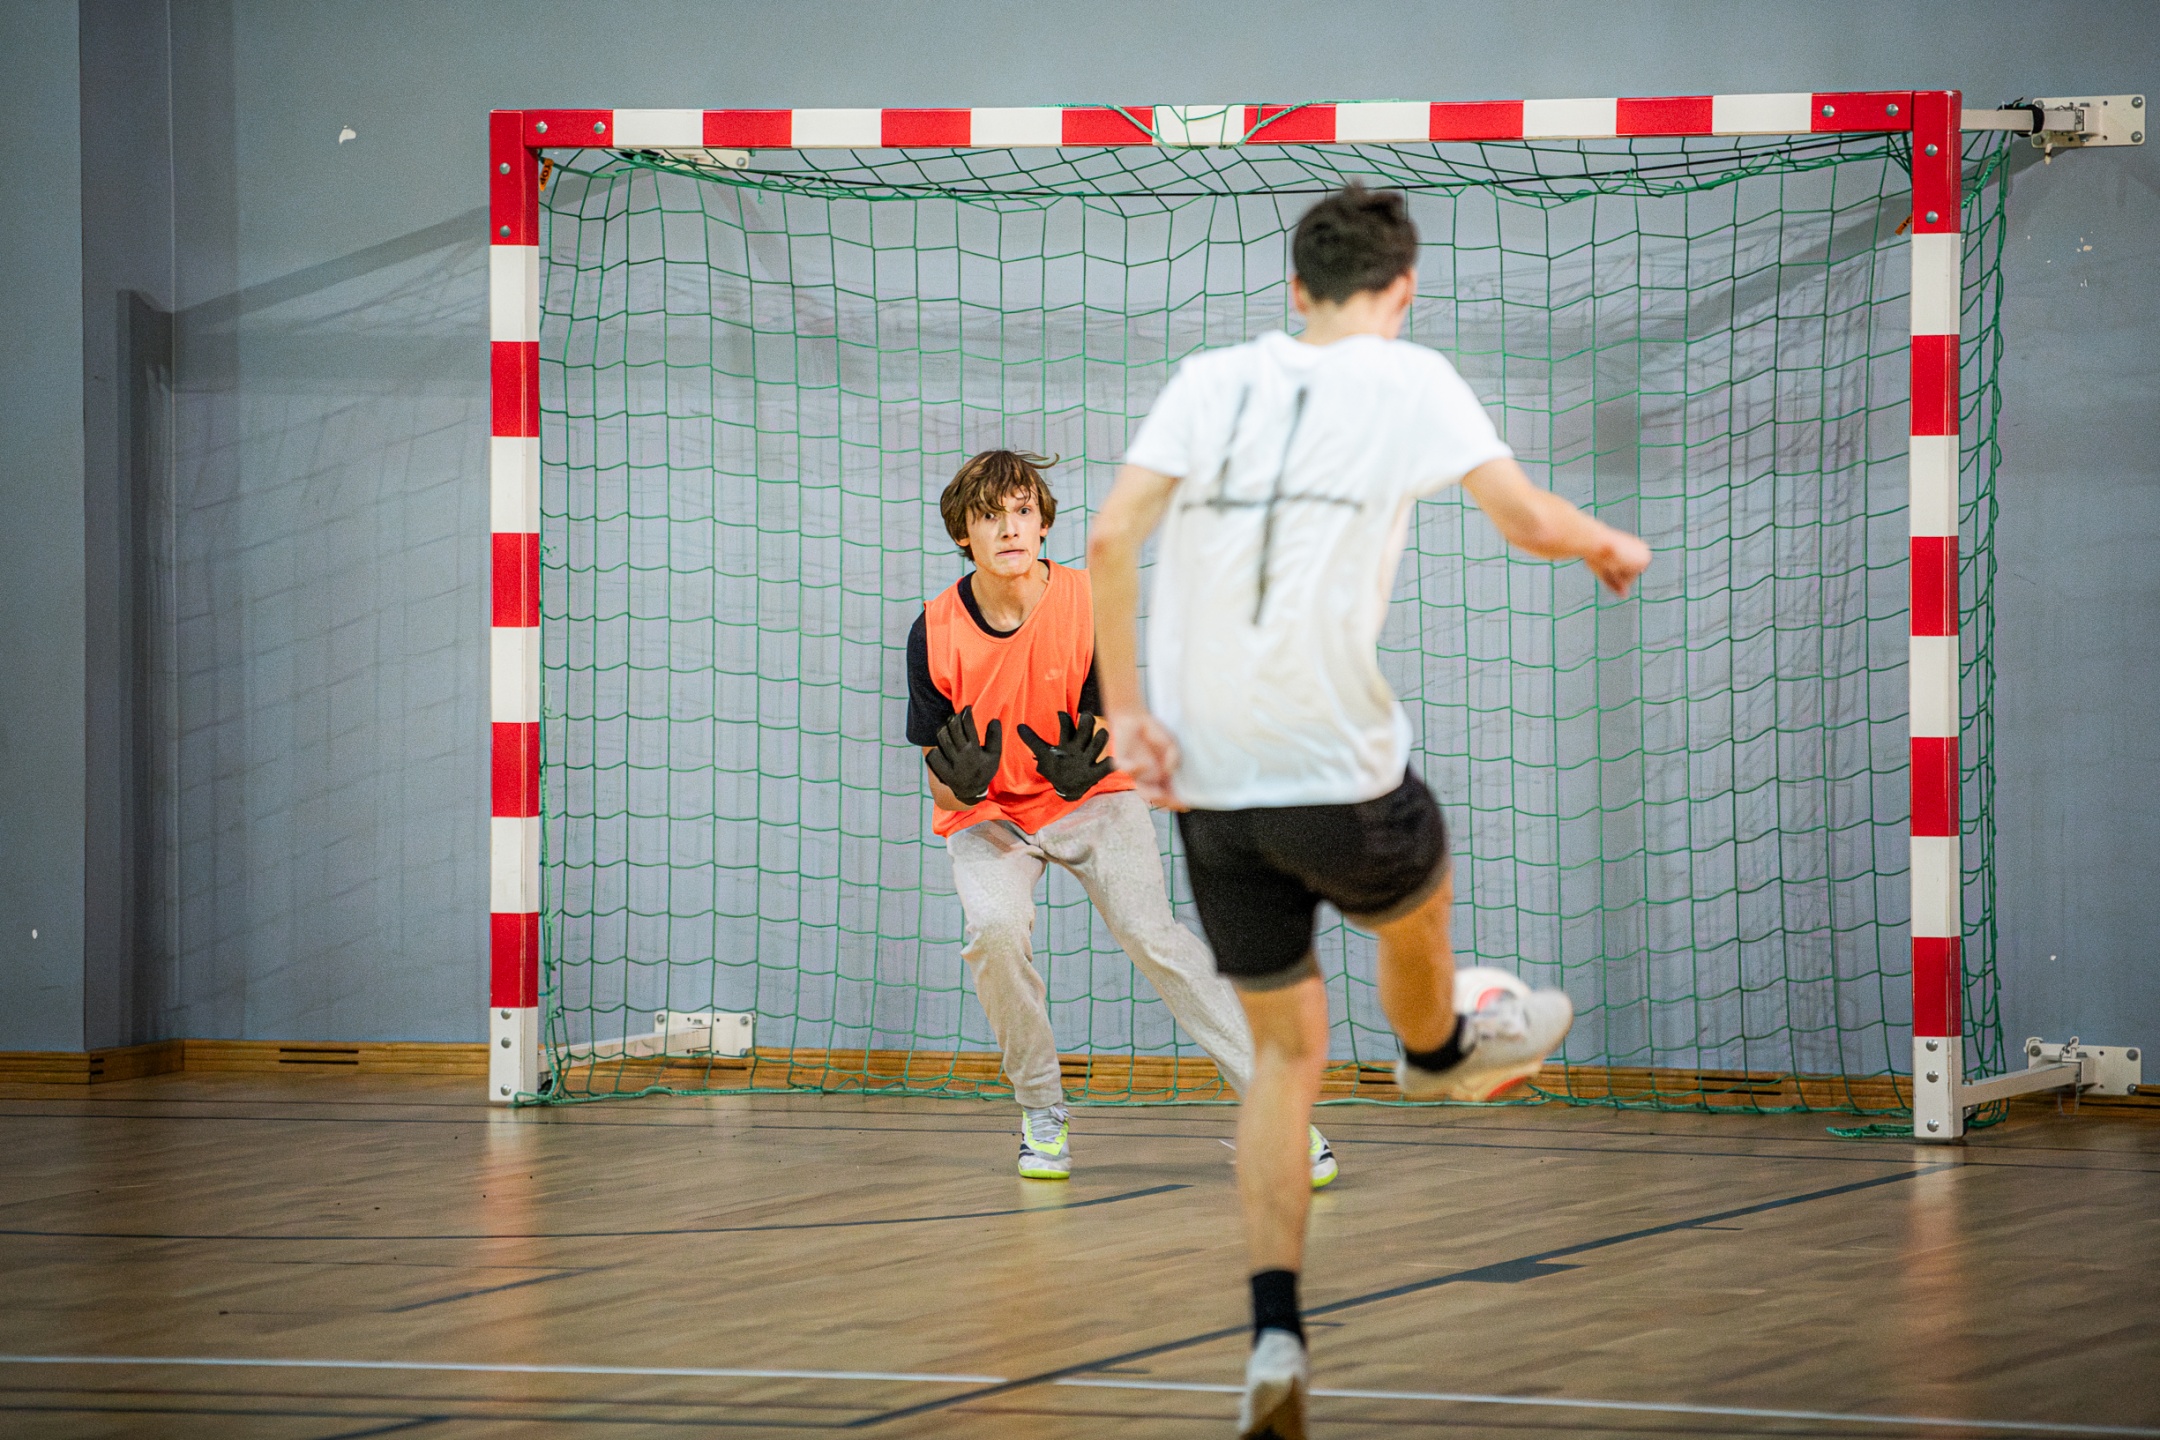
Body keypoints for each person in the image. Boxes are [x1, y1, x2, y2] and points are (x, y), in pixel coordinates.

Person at [1087, 185, 1651, 1439]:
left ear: (1296, 289)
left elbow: (1112, 540)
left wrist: (1128, 713)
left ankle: (1274, 1337)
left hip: (1209, 791)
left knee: (1285, 1061)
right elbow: (1524, 519)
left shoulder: (1207, 379)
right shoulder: (1412, 378)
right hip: (1334, 774)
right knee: (1420, 878)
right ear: (1402, 293)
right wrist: (1607, 544)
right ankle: (1438, 1050)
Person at [906, 449, 1340, 1188]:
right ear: (962, 535)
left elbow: (1120, 719)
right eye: (990, 516)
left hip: (1092, 799)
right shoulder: (935, 630)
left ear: (1043, 525)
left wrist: (1095, 760)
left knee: (1154, 937)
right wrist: (961, 786)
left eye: (1022, 512)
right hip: (992, 815)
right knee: (995, 934)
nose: (1009, 529)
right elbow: (939, 785)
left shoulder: (1087, 599)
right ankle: (1041, 1111)